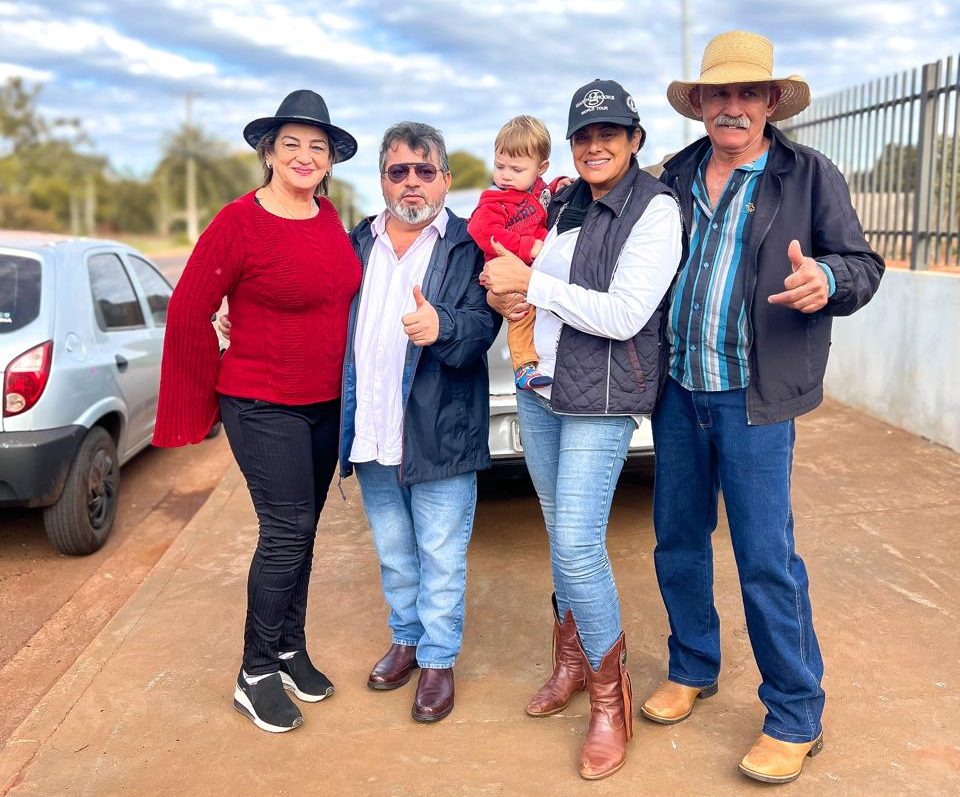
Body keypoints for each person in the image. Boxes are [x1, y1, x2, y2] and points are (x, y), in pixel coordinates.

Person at [640, 31, 884, 784]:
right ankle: (692, 665)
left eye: (750, 93)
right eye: (720, 94)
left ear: (772, 102)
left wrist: (830, 283)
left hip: (754, 397)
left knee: (765, 558)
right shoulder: (672, 177)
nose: (734, 106)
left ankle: (794, 711)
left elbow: (862, 264)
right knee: (677, 540)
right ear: (701, 104)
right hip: (679, 391)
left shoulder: (808, 175)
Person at [482, 80, 683, 779]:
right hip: (543, 390)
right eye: (583, 135)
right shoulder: (566, 201)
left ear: (634, 140)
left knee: (576, 544)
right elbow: (525, 266)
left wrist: (529, 283)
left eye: (610, 133)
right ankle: (569, 660)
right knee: (554, 529)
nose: (595, 145)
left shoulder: (655, 209)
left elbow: (626, 313)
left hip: (601, 399)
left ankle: (610, 697)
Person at [153, 90, 362, 734]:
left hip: (324, 403)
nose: (305, 156)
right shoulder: (238, 222)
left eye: (317, 147)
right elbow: (191, 306)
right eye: (291, 143)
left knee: (304, 530)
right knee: (286, 529)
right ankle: (254, 672)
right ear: (269, 152)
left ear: (329, 163)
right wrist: (202, 395)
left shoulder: (329, 218)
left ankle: (289, 648)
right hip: (261, 402)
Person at [341, 122, 501, 723]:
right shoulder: (358, 242)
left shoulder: (465, 246)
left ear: (445, 179)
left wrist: (445, 329)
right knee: (393, 551)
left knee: (439, 552)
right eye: (398, 171)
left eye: (424, 170)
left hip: (440, 433)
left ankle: (437, 658)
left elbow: (482, 330)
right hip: (371, 428)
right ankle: (406, 639)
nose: (411, 182)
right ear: (382, 178)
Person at [467, 115, 566, 389]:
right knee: (521, 314)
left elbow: (544, 192)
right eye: (500, 166)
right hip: (504, 274)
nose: (506, 175)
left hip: (531, 273)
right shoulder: (494, 200)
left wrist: (559, 184)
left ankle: (538, 361)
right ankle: (523, 367)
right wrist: (527, 247)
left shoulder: (537, 191)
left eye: (517, 169)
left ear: (540, 168)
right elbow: (484, 232)